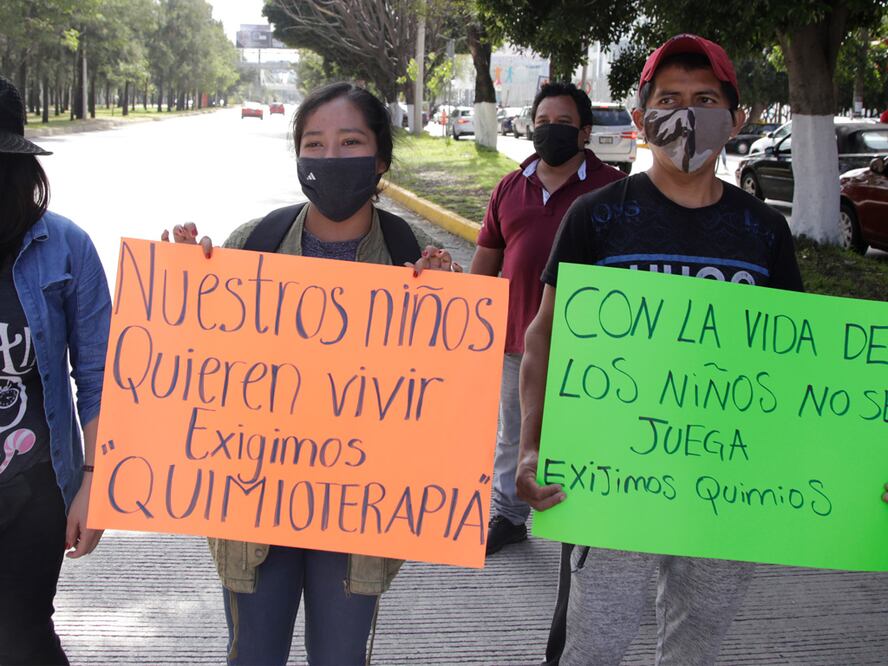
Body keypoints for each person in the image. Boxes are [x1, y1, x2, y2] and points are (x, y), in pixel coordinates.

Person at [517, 35, 806, 665]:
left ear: (735, 119)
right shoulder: (597, 217)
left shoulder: (765, 231)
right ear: (642, 118)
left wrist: (857, 470)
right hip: (611, 481)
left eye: (705, 99)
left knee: (695, 647)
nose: (687, 113)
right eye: (669, 98)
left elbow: (800, 368)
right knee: (593, 646)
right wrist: (533, 444)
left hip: (727, 488)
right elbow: (544, 335)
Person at [163, 82, 459, 666]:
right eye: (314, 144)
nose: (330, 158)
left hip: (361, 513)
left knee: (342, 658)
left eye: (350, 142)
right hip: (254, 503)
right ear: (298, 158)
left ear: (380, 159)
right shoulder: (255, 243)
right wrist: (182, 282)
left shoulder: (413, 254)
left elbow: (446, 406)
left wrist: (449, 306)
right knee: (253, 655)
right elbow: (196, 370)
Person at [471, 82, 624, 556]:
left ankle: (586, 520)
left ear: (584, 133)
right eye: (542, 123)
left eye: (562, 124)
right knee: (513, 435)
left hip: (592, 348)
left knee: (589, 435)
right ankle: (510, 515)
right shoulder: (510, 187)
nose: (549, 131)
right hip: (518, 338)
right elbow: (485, 261)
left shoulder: (615, 190)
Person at [0, 76, 109, 664]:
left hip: (32, 490)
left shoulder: (65, 247)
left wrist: (96, 484)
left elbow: (98, 375)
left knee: (19, 639)